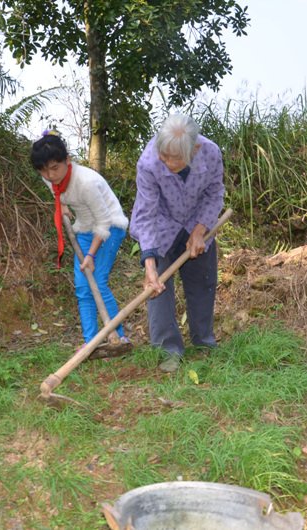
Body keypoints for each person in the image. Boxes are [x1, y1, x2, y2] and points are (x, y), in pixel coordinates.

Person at [129, 114, 225, 373]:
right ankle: (168, 350)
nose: (169, 162)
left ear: (194, 149)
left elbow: (215, 194)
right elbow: (147, 213)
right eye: (165, 155)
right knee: (158, 289)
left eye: (176, 157)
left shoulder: (211, 153)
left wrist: (200, 230)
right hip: (161, 224)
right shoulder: (149, 162)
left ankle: (204, 342)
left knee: (203, 281)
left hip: (197, 221)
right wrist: (149, 263)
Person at [30, 131, 130, 348]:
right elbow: (56, 190)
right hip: (84, 229)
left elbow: (103, 223)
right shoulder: (49, 177)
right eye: (44, 171)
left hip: (110, 227)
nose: (50, 175)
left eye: (55, 168)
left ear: (67, 161)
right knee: (83, 288)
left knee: (98, 282)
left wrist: (91, 255)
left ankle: (119, 337)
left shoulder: (86, 182)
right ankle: (91, 342)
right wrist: (63, 204)